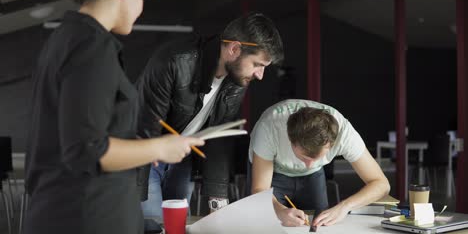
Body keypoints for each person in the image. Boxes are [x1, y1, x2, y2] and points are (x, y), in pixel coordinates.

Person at [24, 0, 204, 234]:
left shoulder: (66, 38)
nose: (141, 8)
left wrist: (138, 148)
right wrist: (158, 147)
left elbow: (83, 134)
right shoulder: (90, 46)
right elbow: (86, 150)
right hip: (85, 218)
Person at [137, 13, 284, 228]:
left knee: (176, 226)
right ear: (234, 49)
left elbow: (219, 141)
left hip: (182, 158)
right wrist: (133, 193)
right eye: (257, 64)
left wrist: (218, 204)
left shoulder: (236, 81)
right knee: (152, 224)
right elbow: (144, 125)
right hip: (149, 155)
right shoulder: (174, 61)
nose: (260, 75)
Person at [249, 99, 390, 227]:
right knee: (263, 223)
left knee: (319, 225)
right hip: (272, 172)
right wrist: (279, 211)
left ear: (332, 143)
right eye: (304, 158)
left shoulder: (344, 133)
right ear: (290, 139)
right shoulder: (270, 127)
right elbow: (260, 189)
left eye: (316, 158)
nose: (308, 164)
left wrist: (345, 207)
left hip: (313, 175)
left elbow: (381, 184)